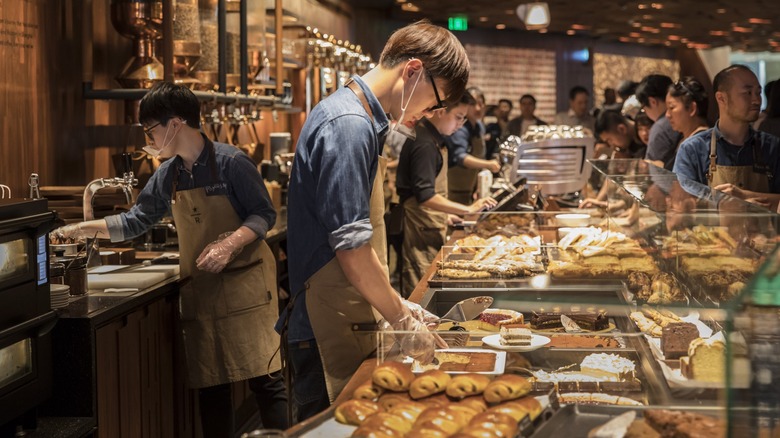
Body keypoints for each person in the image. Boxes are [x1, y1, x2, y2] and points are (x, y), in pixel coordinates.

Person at [53, 82, 287, 436]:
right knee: (212, 384)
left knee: (265, 380)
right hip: (205, 291)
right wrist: (82, 228)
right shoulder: (168, 174)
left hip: (247, 290)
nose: (149, 138)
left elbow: (262, 214)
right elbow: (136, 221)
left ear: (175, 124)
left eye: (151, 129)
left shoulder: (232, 163)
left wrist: (230, 244)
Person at [277, 20, 469, 422]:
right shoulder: (349, 125)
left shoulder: (358, 116)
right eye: (434, 102)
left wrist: (397, 303)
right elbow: (350, 245)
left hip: (345, 311)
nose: (430, 112)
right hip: (325, 325)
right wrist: (400, 319)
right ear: (413, 71)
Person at [396, 91, 497, 297]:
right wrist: (468, 208)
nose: (460, 125)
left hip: (430, 223)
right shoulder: (424, 142)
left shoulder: (434, 138)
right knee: (421, 290)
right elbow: (425, 195)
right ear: (441, 112)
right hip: (418, 227)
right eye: (458, 117)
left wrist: (447, 214)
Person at [674, 65, 780, 210]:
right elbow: (682, 204)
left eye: (758, 92)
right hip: (711, 233)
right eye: (748, 92)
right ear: (721, 98)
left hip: (765, 234)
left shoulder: (772, 146)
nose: (756, 100)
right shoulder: (693, 149)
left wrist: (742, 196)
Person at [580, 110, 647, 209]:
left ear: (621, 129)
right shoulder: (623, 146)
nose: (611, 145)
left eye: (609, 140)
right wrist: (598, 201)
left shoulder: (644, 134)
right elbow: (613, 176)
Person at [445, 86, 501, 205]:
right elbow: (460, 157)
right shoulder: (460, 128)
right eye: (473, 104)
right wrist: (488, 164)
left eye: (481, 104)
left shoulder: (480, 126)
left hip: (472, 187)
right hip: (455, 189)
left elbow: (479, 154)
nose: (477, 108)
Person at [649, 77, 709, 169]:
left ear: (692, 108)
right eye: (667, 109)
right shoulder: (681, 137)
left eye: (672, 107)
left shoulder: (702, 143)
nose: (667, 115)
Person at [636, 74, 683, 170]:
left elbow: (654, 175)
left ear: (653, 101)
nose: (668, 115)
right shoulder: (686, 119)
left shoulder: (660, 128)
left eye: (644, 108)